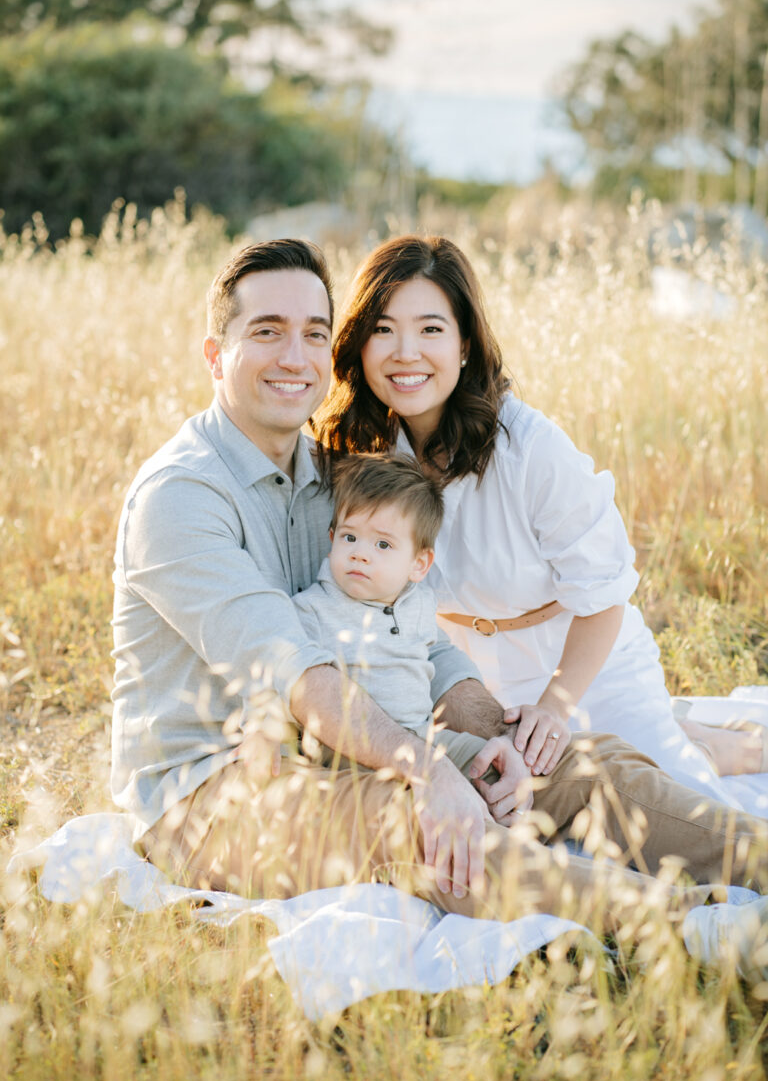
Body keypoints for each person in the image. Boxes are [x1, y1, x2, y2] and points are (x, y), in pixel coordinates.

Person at [111, 237, 768, 981]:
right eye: (266, 331)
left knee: (576, 764)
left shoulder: (332, 472)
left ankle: (757, 861)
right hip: (215, 788)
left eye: (315, 334)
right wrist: (433, 772)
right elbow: (298, 674)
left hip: (339, 745)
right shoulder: (181, 498)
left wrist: (493, 738)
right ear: (214, 352)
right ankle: (704, 930)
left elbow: (417, 628)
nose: (295, 355)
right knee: (430, 827)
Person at [313, 234, 767, 812]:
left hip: (580, 661)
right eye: (382, 329)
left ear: (465, 344)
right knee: (537, 813)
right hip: (465, 680)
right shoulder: (355, 454)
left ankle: (731, 749)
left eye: (430, 329)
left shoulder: (527, 447)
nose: (406, 353)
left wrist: (555, 708)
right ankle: (693, 736)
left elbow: (605, 593)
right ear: (358, 343)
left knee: (676, 804)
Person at [292, 451, 533, 811]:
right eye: (349, 537)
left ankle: (519, 826)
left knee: (499, 769)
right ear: (332, 537)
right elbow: (278, 681)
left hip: (424, 740)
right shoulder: (310, 610)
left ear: (419, 564)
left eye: (383, 544)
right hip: (350, 758)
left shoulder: (419, 606)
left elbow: (437, 662)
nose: (360, 554)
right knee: (425, 810)